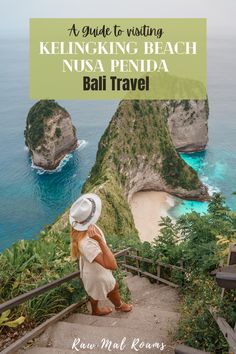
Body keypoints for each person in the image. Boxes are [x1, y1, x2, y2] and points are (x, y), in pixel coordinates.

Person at [69, 192, 133, 316]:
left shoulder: (83, 229)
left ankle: (95, 310)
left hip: (91, 269)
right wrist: (99, 241)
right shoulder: (86, 242)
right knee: (113, 287)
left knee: (94, 292)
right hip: (97, 273)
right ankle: (118, 306)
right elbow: (113, 265)